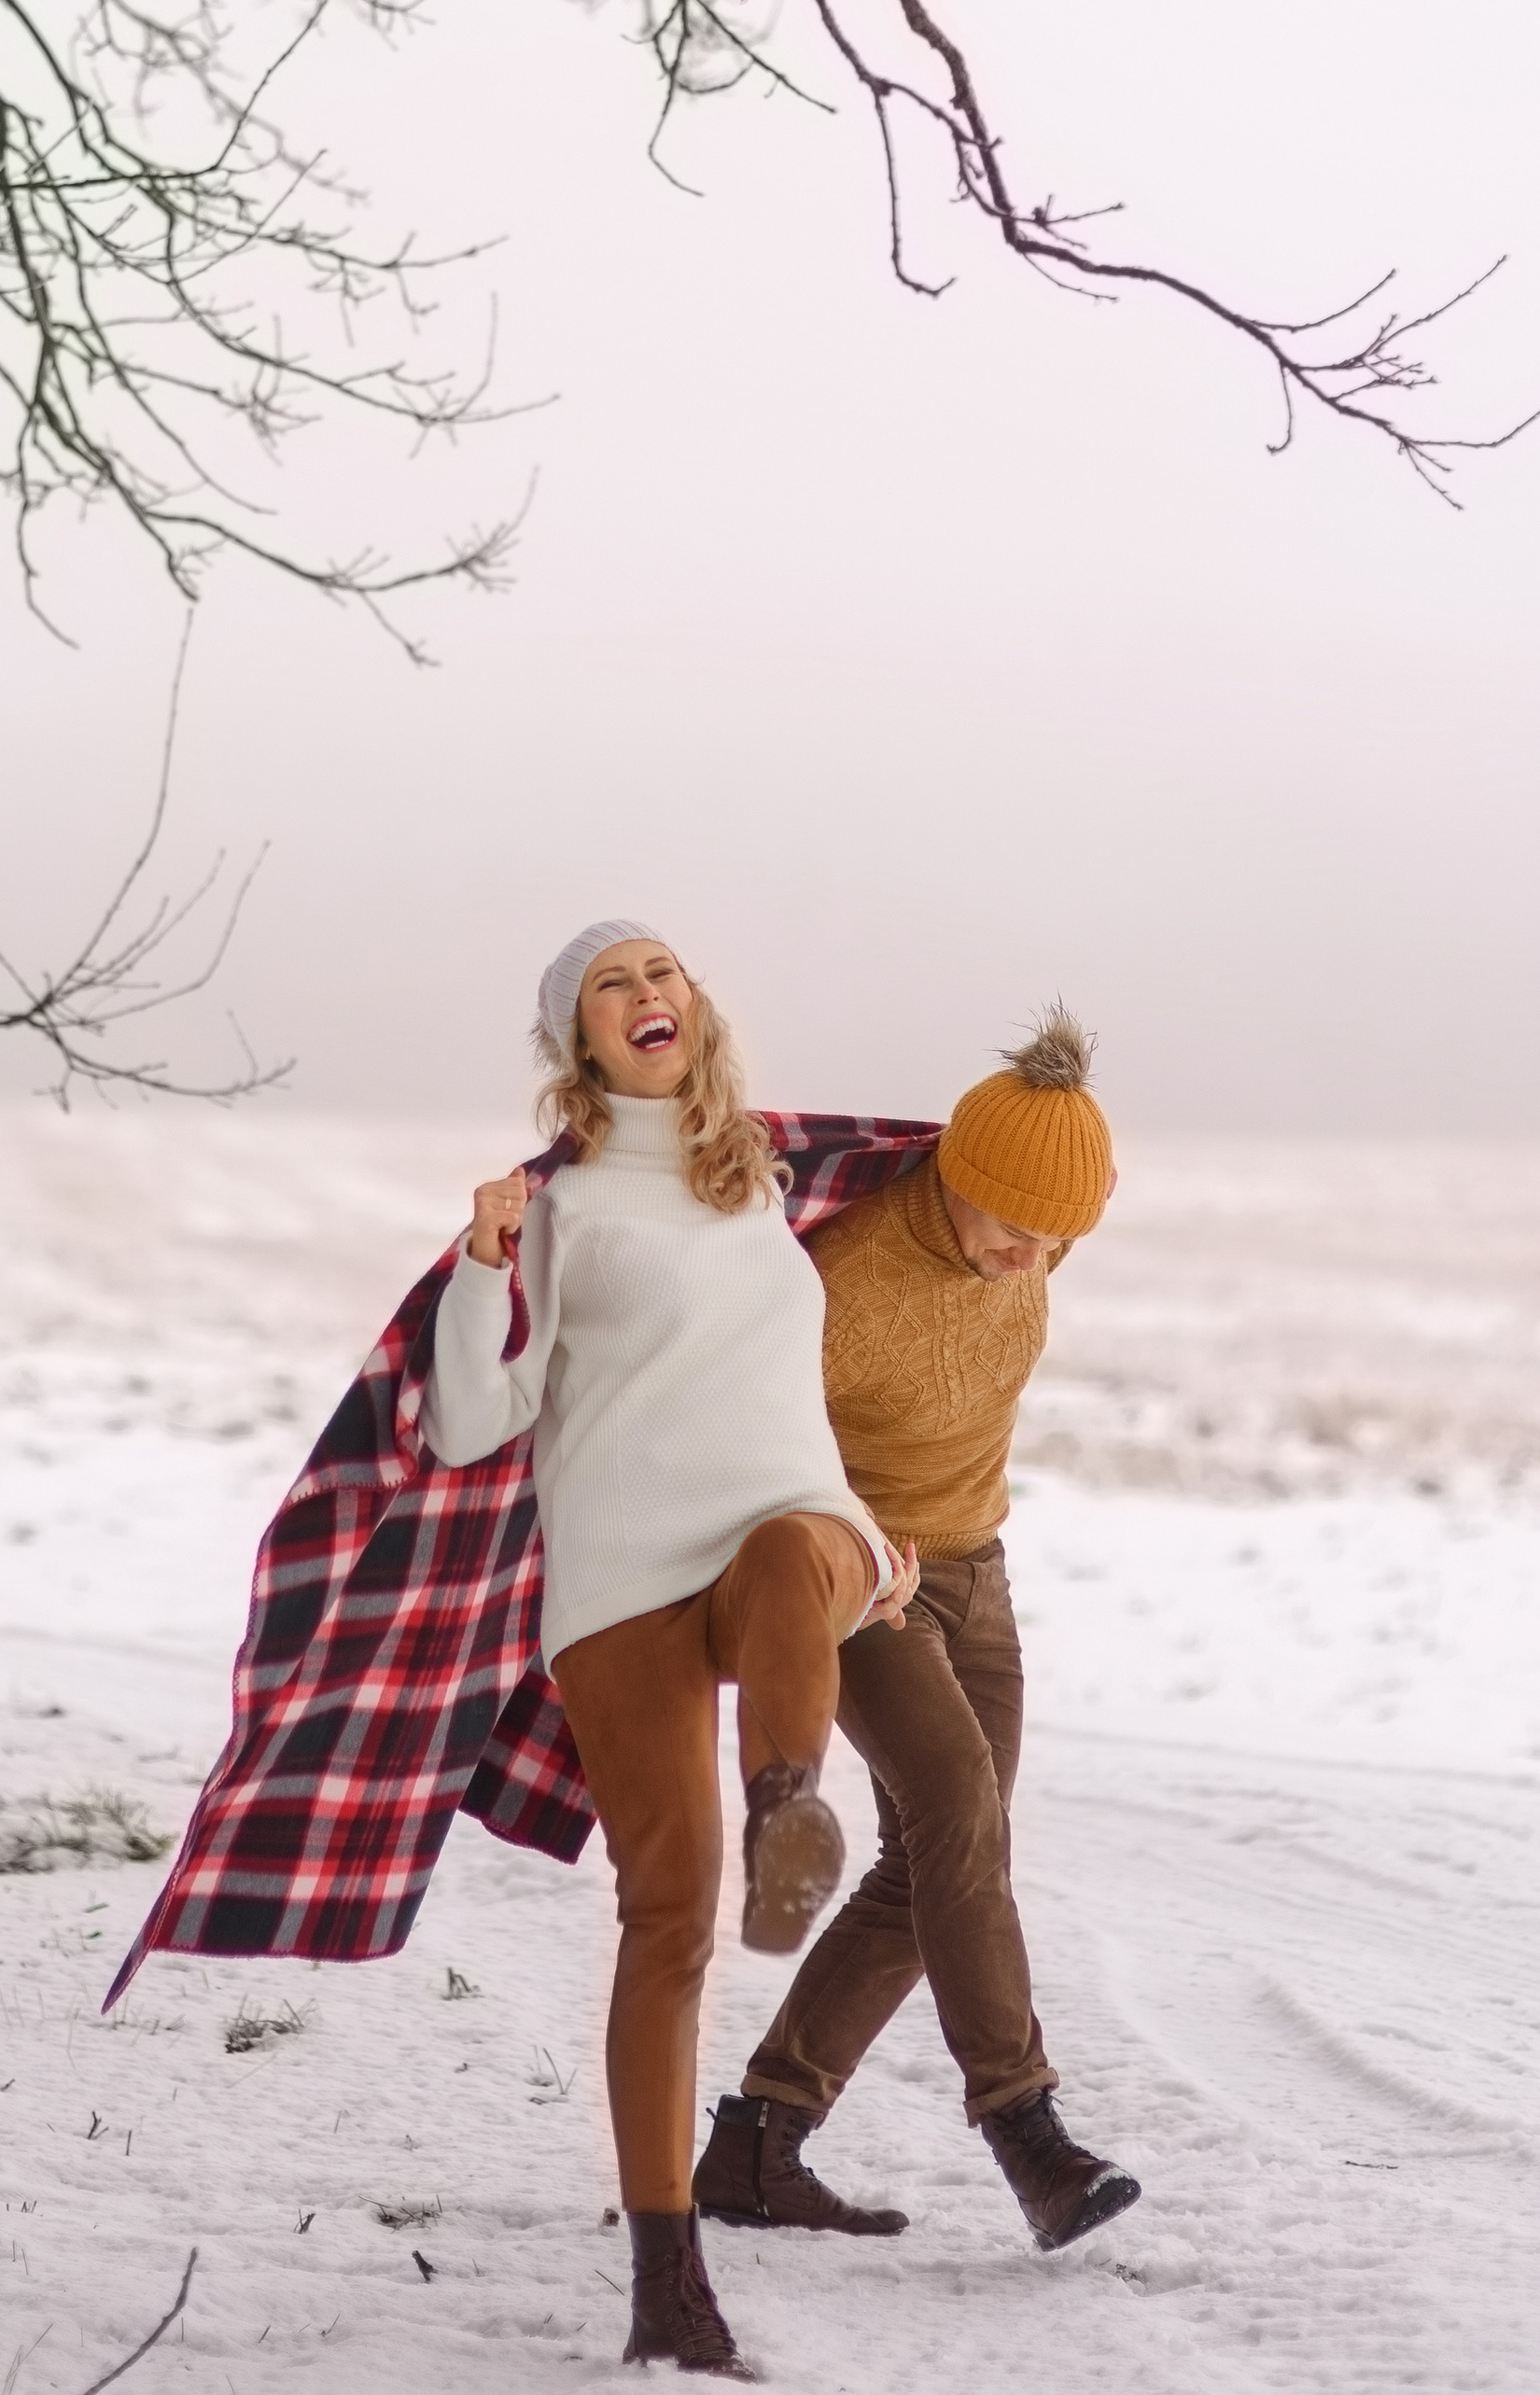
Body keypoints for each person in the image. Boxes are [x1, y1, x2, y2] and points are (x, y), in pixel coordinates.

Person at [420, 921, 919, 2375]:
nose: (649, 992)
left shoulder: (760, 1176)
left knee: (795, 1546)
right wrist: (480, 1263)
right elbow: (469, 1420)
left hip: (783, 1538)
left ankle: (788, 1805)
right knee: (669, 1918)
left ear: (693, 1004)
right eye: (612, 983)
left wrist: (873, 1533)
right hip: (624, 1580)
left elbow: (788, 1386)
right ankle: (668, 2285)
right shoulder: (563, 1206)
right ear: (578, 1037)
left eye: (664, 971)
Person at [692, 1008, 1142, 2259]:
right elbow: (753, 1442)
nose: (1030, 1257)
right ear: (956, 1174)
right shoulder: (845, 1279)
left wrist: (951, 1555)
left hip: (976, 1573)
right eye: (1014, 1227)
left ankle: (758, 2143)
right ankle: (1027, 2129)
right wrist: (858, 1554)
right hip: (856, 1578)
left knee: (938, 1856)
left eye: (1057, 1239)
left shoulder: (1030, 1246)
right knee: (955, 1810)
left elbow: (1027, 1236)